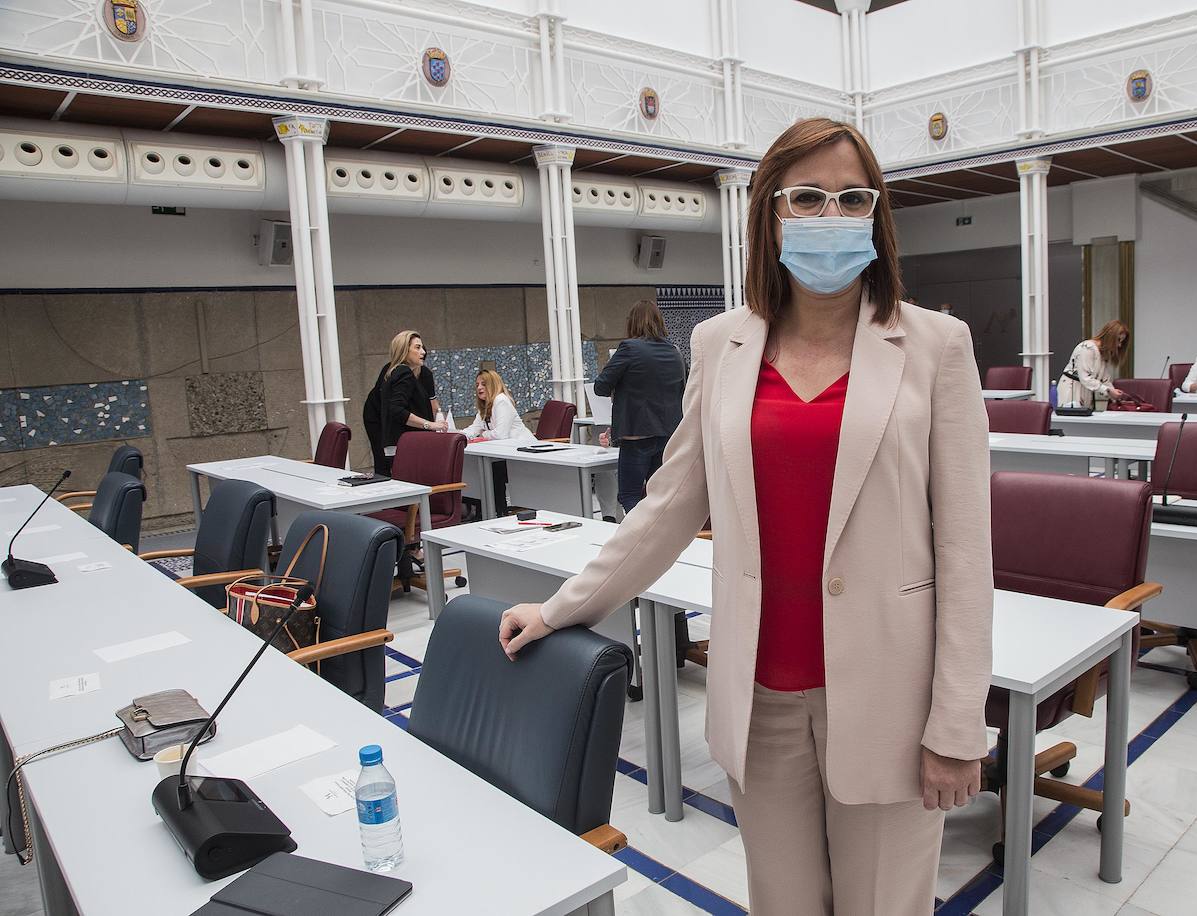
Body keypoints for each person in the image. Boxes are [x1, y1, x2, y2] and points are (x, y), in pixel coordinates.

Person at [497, 117, 991, 913]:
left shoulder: (937, 346)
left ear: (877, 212)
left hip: (891, 701)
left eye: (851, 197)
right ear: (771, 213)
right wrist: (561, 609)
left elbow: (967, 552)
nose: (831, 215)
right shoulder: (721, 345)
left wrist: (957, 722)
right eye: (807, 197)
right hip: (759, 698)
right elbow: (667, 507)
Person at [592, 299, 686, 514]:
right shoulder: (675, 351)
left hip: (637, 435)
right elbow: (684, 388)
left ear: (632, 323)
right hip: (669, 435)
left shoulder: (629, 348)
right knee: (659, 496)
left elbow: (601, 387)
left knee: (630, 495)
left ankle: (636, 540)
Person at [362, 330, 441, 474]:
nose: (423, 352)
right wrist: (429, 425)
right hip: (394, 432)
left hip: (398, 435)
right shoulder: (403, 373)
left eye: (423, 347)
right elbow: (396, 409)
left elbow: (432, 404)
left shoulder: (402, 372)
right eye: (417, 347)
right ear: (404, 350)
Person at [459, 369, 533, 516]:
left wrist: (483, 434)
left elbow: (500, 434)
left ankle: (497, 513)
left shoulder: (501, 400)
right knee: (481, 470)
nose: (479, 387)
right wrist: (457, 436)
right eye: (477, 384)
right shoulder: (486, 406)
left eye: (484, 384)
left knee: (491, 472)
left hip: (523, 455)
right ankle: (488, 513)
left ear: (493, 385)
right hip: (505, 455)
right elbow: (474, 428)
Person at [1056, 320, 1130, 408]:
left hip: (1085, 391)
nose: (1119, 345)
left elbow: (1104, 379)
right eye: (1118, 340)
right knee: (1072, 419)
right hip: (1072, 391)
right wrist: (1108, 390)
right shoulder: (1087, 348)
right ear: (1110, 336)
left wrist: (1114, 394)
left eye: (1121, 341)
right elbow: (1085, 378)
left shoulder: (1103, 353)